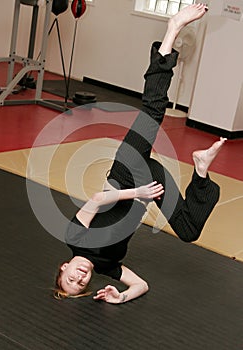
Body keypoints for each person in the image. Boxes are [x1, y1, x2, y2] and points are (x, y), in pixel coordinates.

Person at [54, 4, 226, 304]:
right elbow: (141, 285)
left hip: (124, 177)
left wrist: (135, 192)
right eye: (81, 283)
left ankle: (172, 30)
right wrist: (120, 296)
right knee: (188, 231)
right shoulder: (108, 268)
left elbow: (96, 200)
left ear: (65, 266)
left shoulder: (74, 239)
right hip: (147, 188)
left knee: (153, 112)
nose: (79, 276)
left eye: (71, 277)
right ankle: (200, 168)